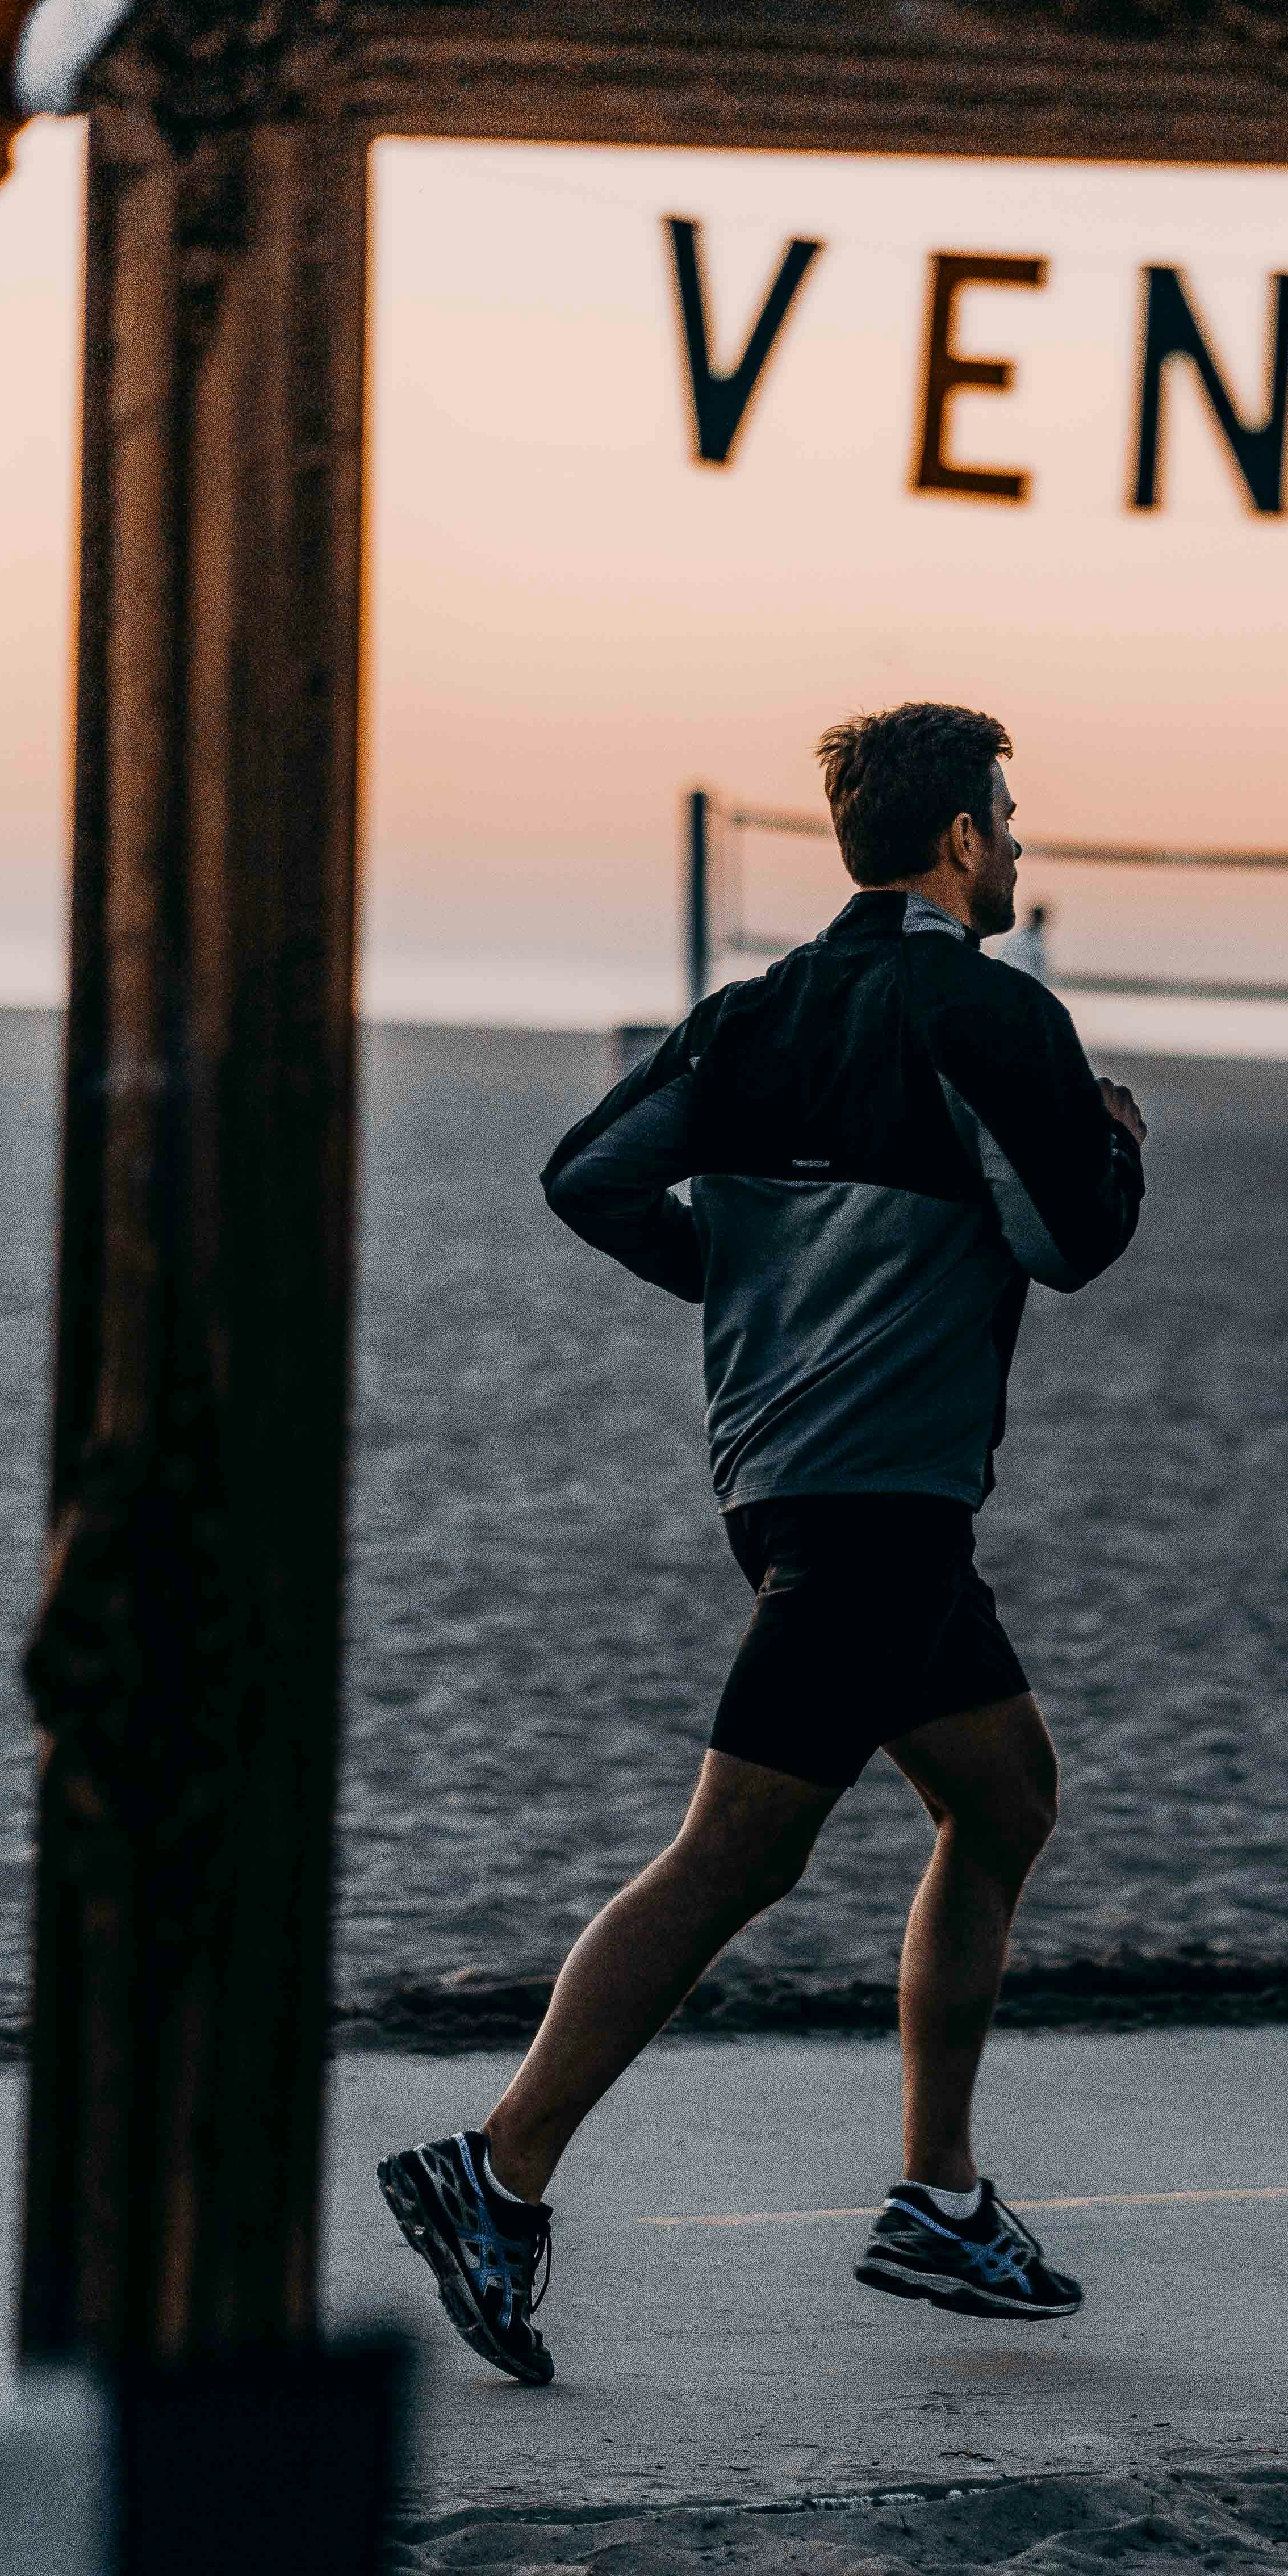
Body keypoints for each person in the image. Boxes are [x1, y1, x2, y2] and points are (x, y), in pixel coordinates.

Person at [378, 701, 1145, 2383]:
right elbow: (1069, 1238)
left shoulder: (750, 1017)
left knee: (1007, 1796)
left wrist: (745, 1281)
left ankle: (939, 2198)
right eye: (1006, 820)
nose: (1016, 848)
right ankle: (496, 2171)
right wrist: (1119, 1142)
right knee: (738, 1851)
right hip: (876, 1501)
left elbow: (585, 1177)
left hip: (800, 1485)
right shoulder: (986, 1011)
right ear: (958, 838)